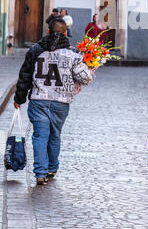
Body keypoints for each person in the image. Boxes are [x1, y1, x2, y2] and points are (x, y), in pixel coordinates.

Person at [13, 18, 95, 186]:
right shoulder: (72, 53)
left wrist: (19, 98)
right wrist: (91, 68)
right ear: (66, 33)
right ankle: (52, 168)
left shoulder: (36, 50)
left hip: (38, 100)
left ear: (48, 31)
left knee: (39, 136)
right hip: (60, 102)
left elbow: (25, 75)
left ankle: (40, 173)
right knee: (54, 135)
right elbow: (85, 78)